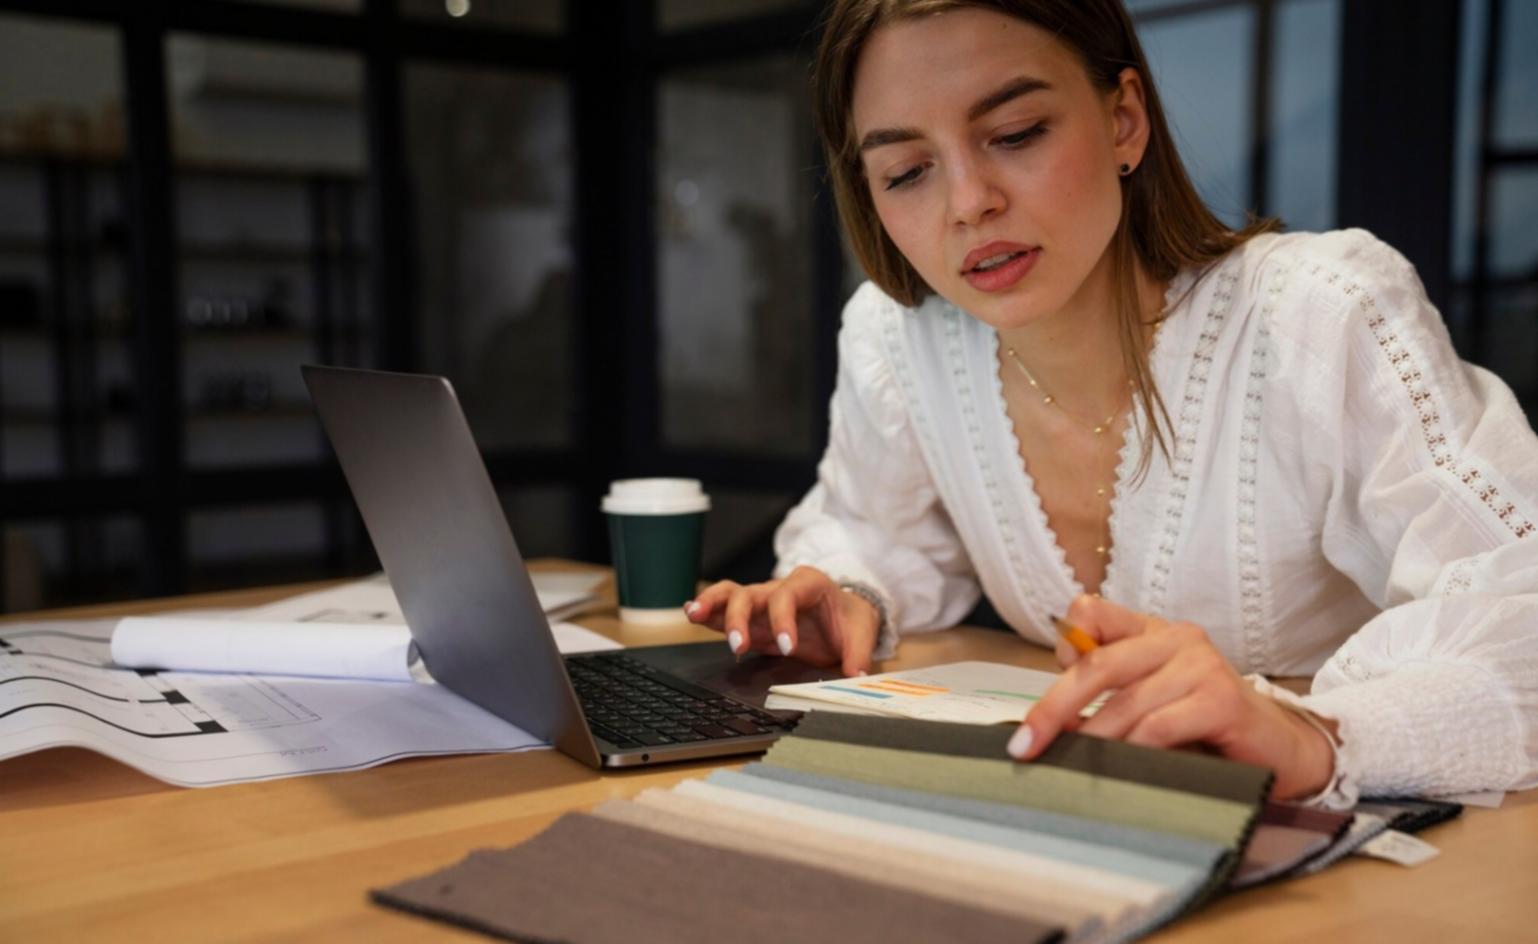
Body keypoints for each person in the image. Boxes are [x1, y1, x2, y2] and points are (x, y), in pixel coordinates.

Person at [685, 0, 1538, 807]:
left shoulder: (1320, 315)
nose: (968, 203)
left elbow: (1522, 603)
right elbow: (870, 524)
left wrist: (1318, 735)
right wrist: (844, 593)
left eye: (1015, 134)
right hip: (1083, 819)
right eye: (906, 171)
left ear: (1124, 119)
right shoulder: (899, 338)